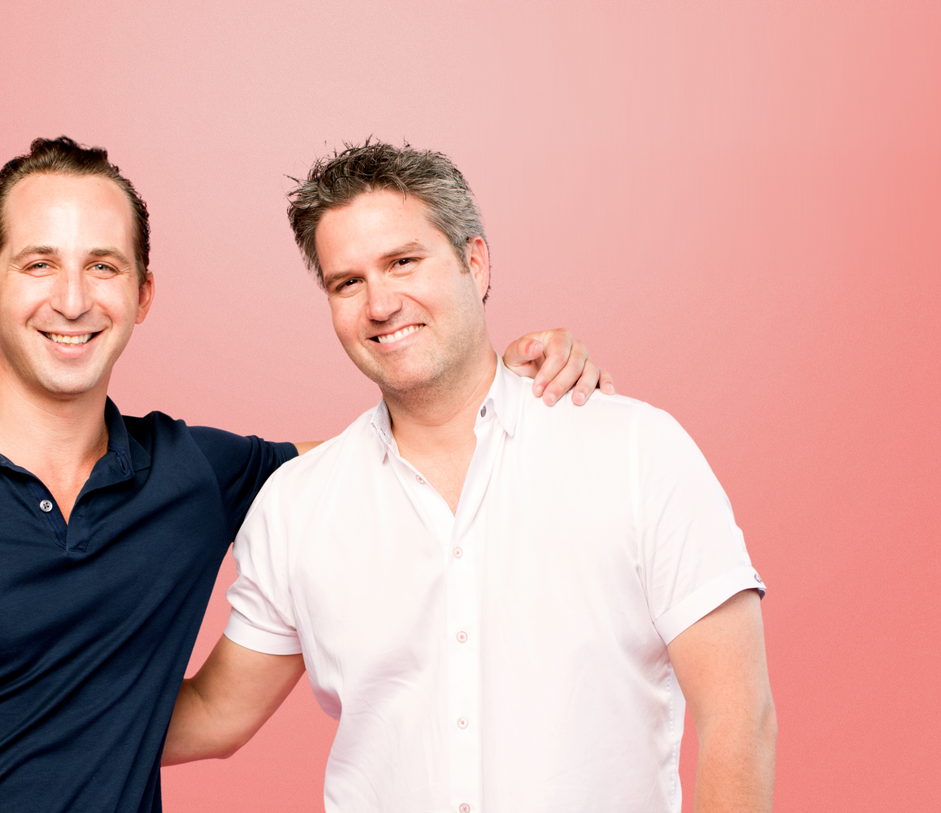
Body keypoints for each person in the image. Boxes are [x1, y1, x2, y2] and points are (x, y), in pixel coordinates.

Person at [0, 137, 607, 813]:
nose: (72, 299)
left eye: (103, 266)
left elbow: (390, 454)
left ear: (142, 293)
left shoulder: (195, 473)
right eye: (38, 265)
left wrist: (515, 371)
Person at [165, 142, 776, 813]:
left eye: (403, 261)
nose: (379, 303)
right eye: (347, 282)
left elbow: (736, 718)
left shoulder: (633, 449)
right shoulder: (295, 504)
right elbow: (213, 714)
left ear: (474, 263)